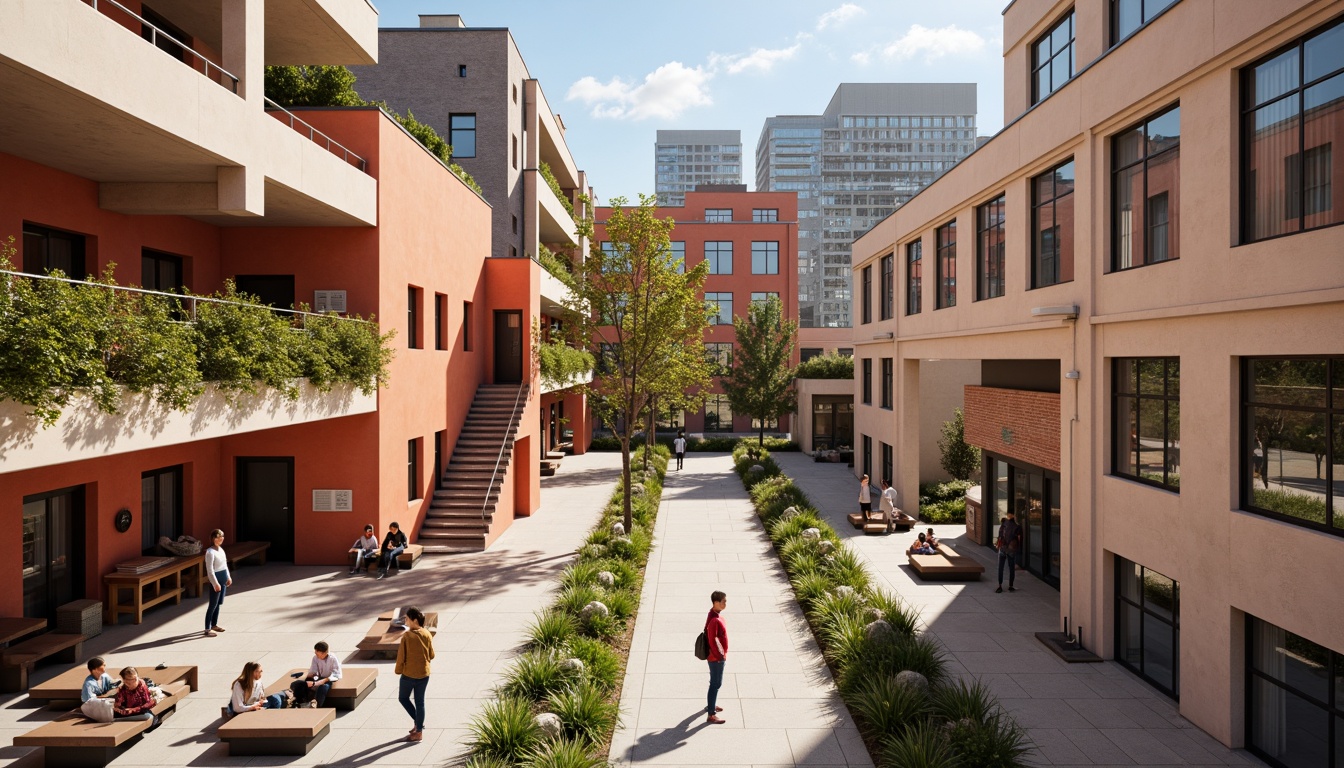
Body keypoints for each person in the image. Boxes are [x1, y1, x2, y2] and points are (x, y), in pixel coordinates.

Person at [395, 607, 434, 742]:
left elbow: (401, 656)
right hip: (424, 673)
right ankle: (418, 729)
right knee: (420, 702)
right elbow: (432, 654)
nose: (405, 621)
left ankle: (418, 727)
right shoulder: (427, 633)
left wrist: (398, 670)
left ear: (414, 620)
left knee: (403, 698)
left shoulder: (407, 636)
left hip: (409, 674)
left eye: (407, 618)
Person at [291, 641, 342, 708]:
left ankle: (317, 706)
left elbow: (336, 675)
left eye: (317, 653)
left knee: (323, 687)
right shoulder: (315, 658)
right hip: (319, 678)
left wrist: (319, 682)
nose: (316, 654)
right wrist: (306, 679)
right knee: (301, 684)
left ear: (324, 653)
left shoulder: (333, 659)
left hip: (329, 679)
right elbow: (313, 672)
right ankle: (301, 703)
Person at [704, 591, 728, 724]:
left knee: (714, 682)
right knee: (716, 683)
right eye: (724, 601)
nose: (725, 603)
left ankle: (711, 705)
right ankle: (711, 715)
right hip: (716, 658)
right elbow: (713, 641)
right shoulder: (714, 620)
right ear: (716, 603)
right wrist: (721, 656)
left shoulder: (713, 614)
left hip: (714, 657)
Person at [204, 529, 231, 637]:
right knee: (213, 604)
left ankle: (214, 624)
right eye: (218, 537)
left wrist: (228, 577)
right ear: (213, 539)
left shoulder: (221, 550)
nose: (221, 539)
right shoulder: (210, 552)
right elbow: (210, 570)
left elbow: (224, 565)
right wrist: (215, 583)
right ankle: (207, 628)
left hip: (223, 578)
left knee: (219, 603)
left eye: (222, 536)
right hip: (216, 580)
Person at [996, 508, 1023, 593]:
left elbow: (1000, 535)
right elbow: (1019, 539)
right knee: (1011, 568)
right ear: (1014, 516)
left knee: (1001, 568)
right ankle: (1010, 586)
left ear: (1008, 515)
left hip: (1003, 548)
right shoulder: (1017, 526)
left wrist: (999, 544)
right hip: (1011, 549)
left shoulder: (1004, 523)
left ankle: (1000, 585)